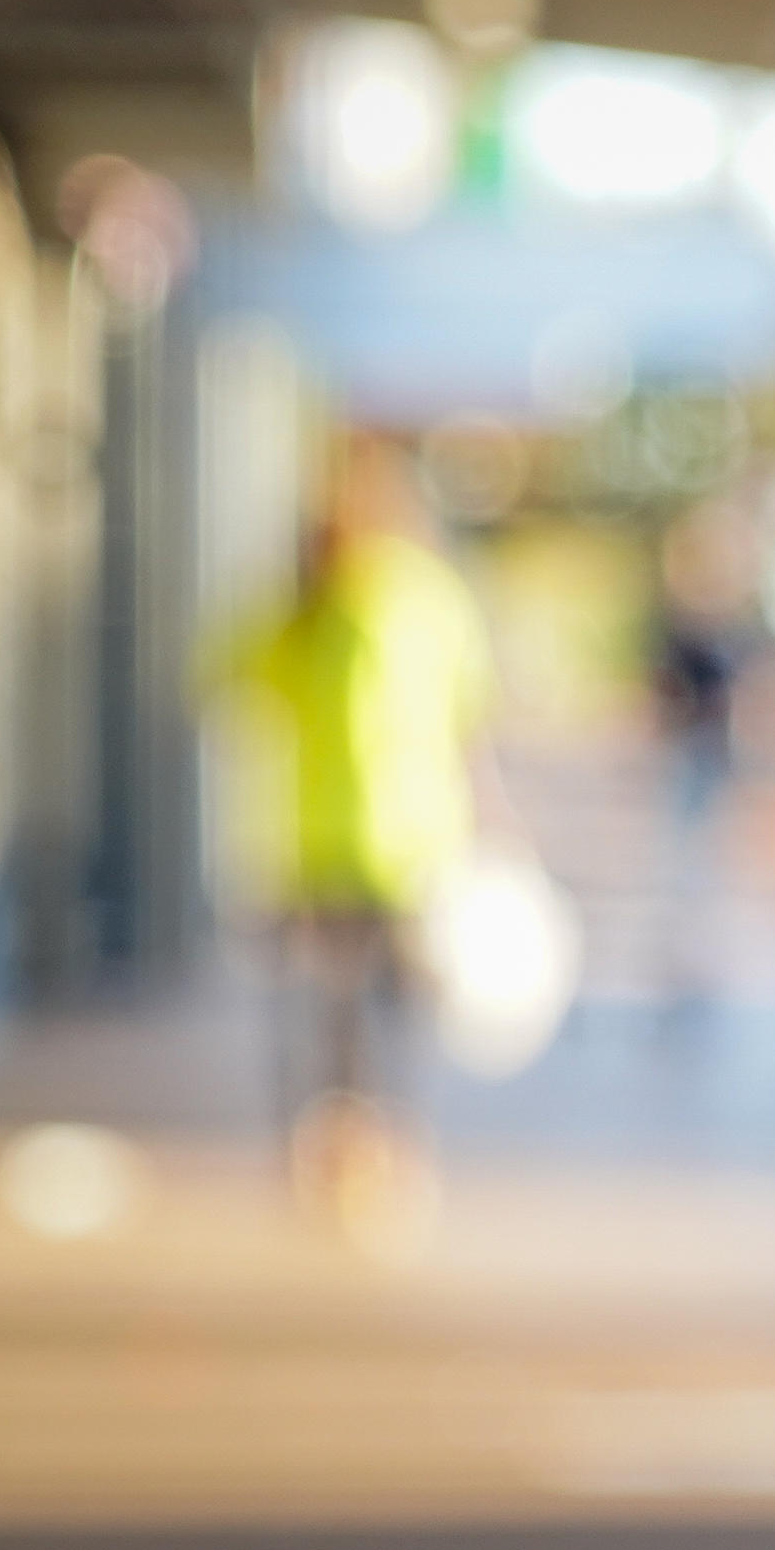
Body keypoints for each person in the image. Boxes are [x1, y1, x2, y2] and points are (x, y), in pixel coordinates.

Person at [227, 436, 492, 1225]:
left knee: (345, 1014)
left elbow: (242, 681)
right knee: (368, 1014)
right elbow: (469, 711)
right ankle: (367, 1156)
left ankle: (353, 1156)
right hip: (376, 844)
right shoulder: (408, 597)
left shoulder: (331, 603)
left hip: (350, 845)